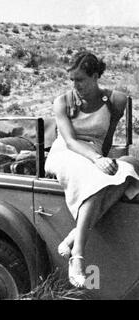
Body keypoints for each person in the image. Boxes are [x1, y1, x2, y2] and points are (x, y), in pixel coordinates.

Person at [45, 51, 139, 287]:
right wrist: (97, 160)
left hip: (94, 155)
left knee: (131, 167)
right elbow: (69, 141)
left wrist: (104, 161)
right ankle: (77, 256)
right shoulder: (63, 102)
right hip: (67, 154)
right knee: (96, 177)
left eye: (80, 79)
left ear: (95, 76)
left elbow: (107, 138)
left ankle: (74, 234)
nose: (75, 85)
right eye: (72, 80)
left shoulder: (115, 101)